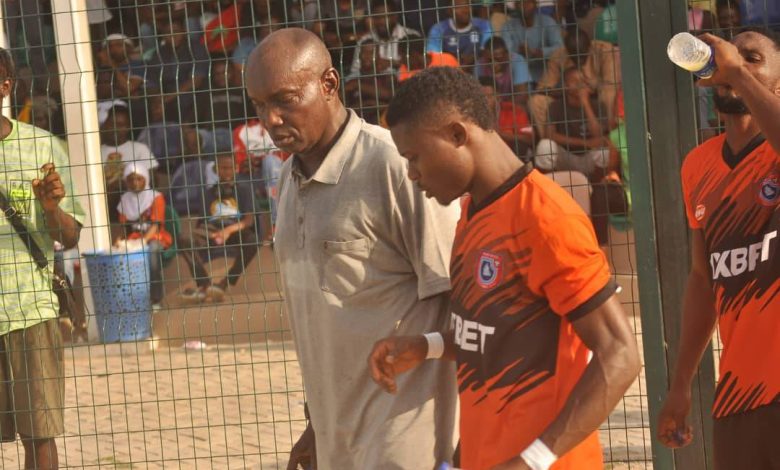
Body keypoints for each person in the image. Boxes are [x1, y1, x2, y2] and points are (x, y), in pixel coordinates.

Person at [370, 66, 641, 470]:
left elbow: (621, 356)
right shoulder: (471, 212)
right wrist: (426, 346)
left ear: (457, 135)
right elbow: (499, 336)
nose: (412, 174)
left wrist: (531, 461)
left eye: (414, 158)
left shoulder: (546, 219)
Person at [245, 28, 459, 469]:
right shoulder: (287, 181)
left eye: (284, 100)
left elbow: (460, 297)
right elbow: (321, 315)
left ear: (328, 84)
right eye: (260, 105)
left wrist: (465, 439)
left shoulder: (395, 165)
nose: (271, 119)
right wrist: (314, 425)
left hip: (406, 436)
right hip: (336, 439)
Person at [657, 30, 780, 468]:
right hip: (739, 393)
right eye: (731, 56)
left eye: (753, 59)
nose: (736, 65)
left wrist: (737, 74)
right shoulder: (698, 165)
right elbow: (702, 278)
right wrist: (681, 383)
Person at [0, 47, 85, 469]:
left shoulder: (41, 147)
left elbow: (69, 238)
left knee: (40, 436)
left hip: (30, 310)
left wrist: (51, 209)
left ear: (5, 86)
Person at [176, 153, 259, 303]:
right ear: (217, 170)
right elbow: (202, 222)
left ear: (236, 168)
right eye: (223, 168)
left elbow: (248, 221)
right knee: (185, 239)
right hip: (212, 228)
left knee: (252, 241)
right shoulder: (208, 193)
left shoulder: (244, 189)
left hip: (235, 229)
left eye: (230, 168)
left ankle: (224, 284)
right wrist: (207, 237)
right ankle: (205, 285)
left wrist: (227, 231)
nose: (226, 172)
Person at [114, 162, 173, 309]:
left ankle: (156, 298)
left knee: (151, 251)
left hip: (155, 237)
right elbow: (124, 228)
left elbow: (156, 225)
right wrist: (119, 241)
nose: (135, 183)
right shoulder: (124, 200)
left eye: (139, 179)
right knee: (118, 254)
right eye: (131, 179)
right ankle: (131, 300)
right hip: (134, 238)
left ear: (146, 179)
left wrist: (143, 241)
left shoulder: (156, 197)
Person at [534, 67, 610, 177]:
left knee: (604, 151)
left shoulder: (597, 105)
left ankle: (596, 188)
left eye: (583, 80)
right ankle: (547, 187)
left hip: (588, 158)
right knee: (545, 146)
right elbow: (550, 134)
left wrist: (585, 103)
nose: (580, 84)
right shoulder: (556, 106)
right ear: (566, 86)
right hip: (566, 157)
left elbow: (598, 135)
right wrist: (584, 143)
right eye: (575, 81)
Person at [348, 0, 421, 77]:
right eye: (377, 17)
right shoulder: (364, 41)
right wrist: (369, 68)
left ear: (394, 17)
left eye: (384, 16)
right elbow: (354, 73)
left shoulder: (410, 36)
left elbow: (420, 67)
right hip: (372, 85)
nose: (380, 21)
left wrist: (393, 63)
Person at [499, 0, 564, 84]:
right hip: (518, 78)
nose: (524, 6)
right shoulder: (507, 26)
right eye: (520, 3)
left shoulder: (548, 22)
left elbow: (560, 47)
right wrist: (518, 51)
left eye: (528, 2)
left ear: (536, 4)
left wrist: (539, 52)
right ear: (515, 6)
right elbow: (505, 53)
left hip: (545, 74)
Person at [426, 0, 493, 67]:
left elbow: (490, 50)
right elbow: (433, 56)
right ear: (449, 11)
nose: (465, 10)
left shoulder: (483, 25)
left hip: (477, 69)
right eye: (459, 7)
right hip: (449, 70)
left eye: (468, 5)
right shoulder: (439, 29)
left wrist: (475, 58)